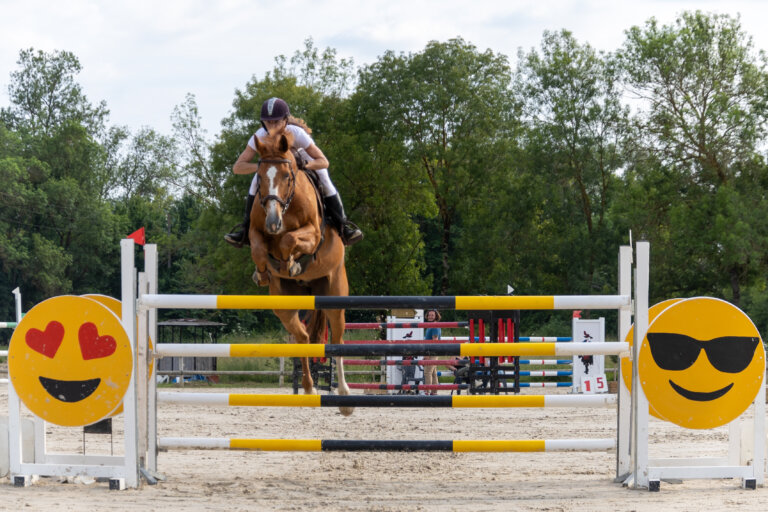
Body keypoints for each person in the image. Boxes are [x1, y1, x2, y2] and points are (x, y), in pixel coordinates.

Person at [224, 97, 363, 248]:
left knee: (324, 178)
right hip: (273, 166)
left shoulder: (297, 133)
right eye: (268, 122)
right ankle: (245, 231)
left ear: (285, 120)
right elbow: (238, 167)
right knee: (254, 184)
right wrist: (262, 168)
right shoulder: (259, 136)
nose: (272, 126)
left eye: (276, 122)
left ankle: (343, 227)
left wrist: (306, 165)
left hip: (303, 158)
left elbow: (323, 161)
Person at [423, 309, 442, 395]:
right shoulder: (431, 326)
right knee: (433, 373)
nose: (430, 316)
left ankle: (427, 391)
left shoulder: (434, 326)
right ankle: (434, 392)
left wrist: (427, 354)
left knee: (428, 372)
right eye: (429, 315)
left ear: (436, 316)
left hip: (432, 352)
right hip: (433, 351)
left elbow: (435, 341)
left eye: (432, 315)